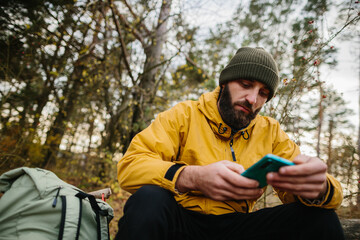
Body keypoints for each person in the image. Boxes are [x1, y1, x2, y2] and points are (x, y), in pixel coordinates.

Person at [115, 47, 344, 240]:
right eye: (246, 84)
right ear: (224, 83)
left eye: (263, 93)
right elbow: (130, 167)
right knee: (149, 199)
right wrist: (191, 176)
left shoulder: (271, 132)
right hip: (181, 222)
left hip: (237, 227)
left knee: (320, 218)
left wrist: (319, 188)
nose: (253, 99)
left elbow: (300, 190)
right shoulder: (184, 115)